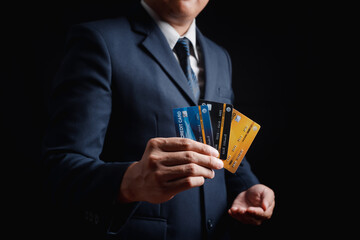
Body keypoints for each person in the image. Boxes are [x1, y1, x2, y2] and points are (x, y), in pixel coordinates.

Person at [42, 0, 275, 239]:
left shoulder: (219, 56)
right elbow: (61, 169)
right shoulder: (99, 41)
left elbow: (223, 145)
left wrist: (248, 186)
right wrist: (130, 182)